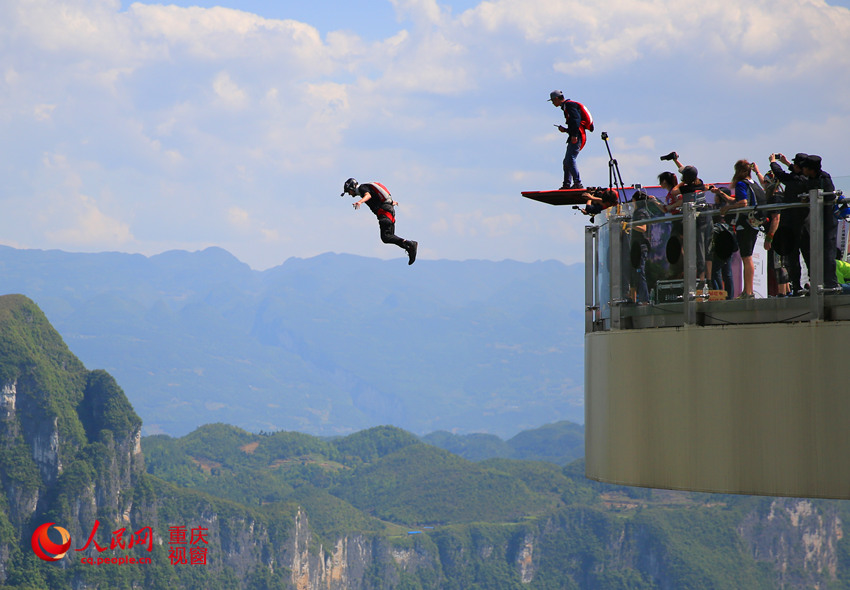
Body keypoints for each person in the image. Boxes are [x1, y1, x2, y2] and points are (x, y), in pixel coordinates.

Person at [341, 178, 418, 265]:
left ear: (352, 188)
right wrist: (392, 203)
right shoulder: (366, 187)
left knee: (386, 237)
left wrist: (360, 202)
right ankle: (410, 247)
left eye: (348, 192)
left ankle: (410, 244)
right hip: (389, 210)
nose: (349, 194)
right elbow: (377, 197)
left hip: (384, 212)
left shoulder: (362, 188)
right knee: (389, 236)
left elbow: (368, 195)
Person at [768, 152, 809, 295]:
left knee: (793, 257)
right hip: (806, 223)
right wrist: (787, 163)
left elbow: (781, 174)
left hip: (792, 224)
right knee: (808, 256)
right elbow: (795, 173)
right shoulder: (808, 179)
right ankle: (813, 283)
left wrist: (773, 162)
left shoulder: (795, 180)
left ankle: (797, 286)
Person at [720, 160, 760, 299]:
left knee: (746, 257)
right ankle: (747, 290)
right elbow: (739, 200)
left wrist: (727, 208)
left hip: (745, 223)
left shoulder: (741, 184)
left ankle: (748, 292)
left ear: (743, 171)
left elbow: (743, 203)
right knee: (747, 256)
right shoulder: (754, 184)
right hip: (755, 223)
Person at [799, 155, 838, 290]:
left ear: (811, 169)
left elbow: (831, 197)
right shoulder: (809, 179)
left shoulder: (824, 178)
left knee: (828, 251)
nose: (802, 169)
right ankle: (817, 282)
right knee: (815, 251)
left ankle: (831, 283)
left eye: (805, 167)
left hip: (827, 220)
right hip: (815, 220)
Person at [549, 90, 592, 190]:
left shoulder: (569, 105)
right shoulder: (566, 106)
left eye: (552, 101)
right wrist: (566, 130)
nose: (552, 103)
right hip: (576, 134)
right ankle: (567, 184)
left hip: (578, 135)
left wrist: (574, 135)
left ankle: (577, 183)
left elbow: (576, 120)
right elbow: (574, 123)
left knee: (570, 159)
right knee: (567, 161)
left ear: (556, 99)